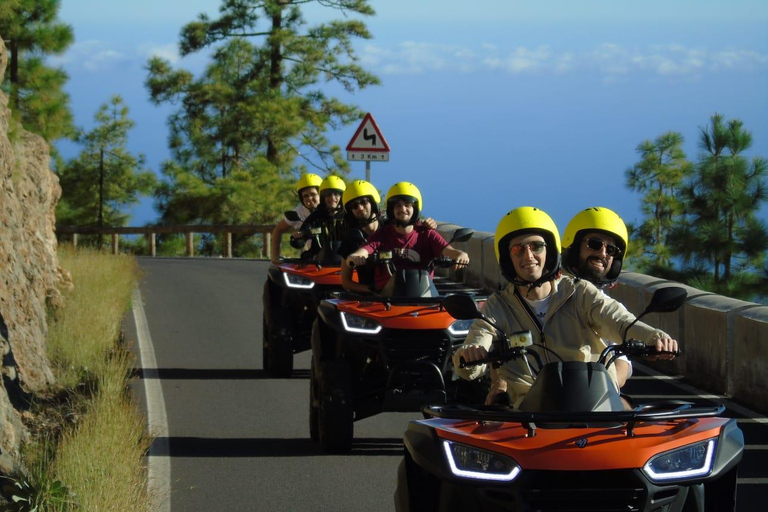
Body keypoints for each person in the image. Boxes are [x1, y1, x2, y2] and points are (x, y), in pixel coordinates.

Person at [452, 206, 678, 407]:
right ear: (506, 258)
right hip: (529, 411)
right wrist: (471, 355)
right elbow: (475, 346)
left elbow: (619, 320)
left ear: (549, 250)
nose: (528, 255)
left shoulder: (579, 292)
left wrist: (655, 337)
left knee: (635, 433)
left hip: (592, 401)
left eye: (536, 246)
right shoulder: (497, 306)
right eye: (517, 249)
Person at [345, 182, 469, 293]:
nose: (402, 209)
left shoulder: (427, 234)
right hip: (387, 298)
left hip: (423, 296)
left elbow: (448, 250)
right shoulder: (382, 234)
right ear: (391, 209)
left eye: (407, 205)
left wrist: (460, 255)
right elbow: (365, 250)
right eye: (397, 206)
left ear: (415, 208)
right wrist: (355, 257)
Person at [562, 206, 632, 388]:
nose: (603, 253)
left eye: (611, 250)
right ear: (575, 246)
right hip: (546, 395)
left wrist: (610, 388)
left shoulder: (611, 306)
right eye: (594, 244)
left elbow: (622, 361)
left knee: (626, 410)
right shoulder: (547, 293)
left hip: (594, 397)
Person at [270, 173, 322, 264]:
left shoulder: (334, 210)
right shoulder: (299, 212)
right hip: (315, 260)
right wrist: (275, 256)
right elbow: (278, 230)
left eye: (313, 194)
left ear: (321, 194)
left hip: (338, 258)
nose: (309, 198)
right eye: (305, 196)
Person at [297, 175, 347, 260]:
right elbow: (303, 233)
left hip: (347, 263)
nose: (332, 197)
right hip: (319, 264)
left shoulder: (348, 215)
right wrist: (299, 237)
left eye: (336, 194)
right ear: (323, 197)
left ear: (342, 196)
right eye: (328, 194)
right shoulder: (316, 215)